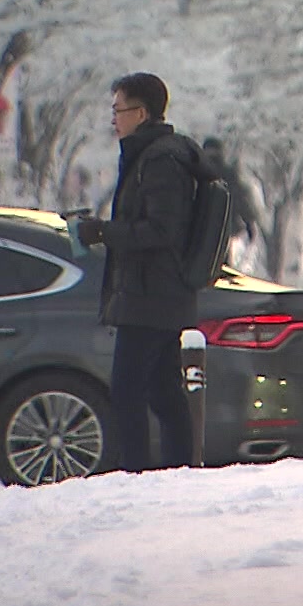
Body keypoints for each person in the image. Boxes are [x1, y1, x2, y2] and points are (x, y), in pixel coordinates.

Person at [75, 73, 204, 473]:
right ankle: (178, 470)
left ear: (142, 113)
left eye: (119, 110)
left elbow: (163, 230)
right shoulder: (150, 155)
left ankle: (136, 474)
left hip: (151, 295)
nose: (113, 119)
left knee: (128, 390)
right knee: (163, 391)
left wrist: (104, 232)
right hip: (155, 293)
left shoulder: (160, 161)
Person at [200, 136, 259, 241]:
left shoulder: (197, 172)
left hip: (201, 228)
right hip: (225, 227)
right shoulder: (228, 174)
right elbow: (241, 198)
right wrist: (249, 222)